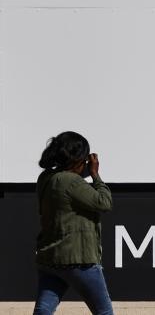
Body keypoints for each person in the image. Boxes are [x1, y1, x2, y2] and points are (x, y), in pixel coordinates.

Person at [33, 131, 114, 315]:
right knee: (104, 312)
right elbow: (104, 202)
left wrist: (81, 171)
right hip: (78, 260)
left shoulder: (45, 178)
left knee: (43, 310)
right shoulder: (72, 182)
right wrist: (95, 175)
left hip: (50, 258)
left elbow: (69, 188)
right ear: (77, 159)